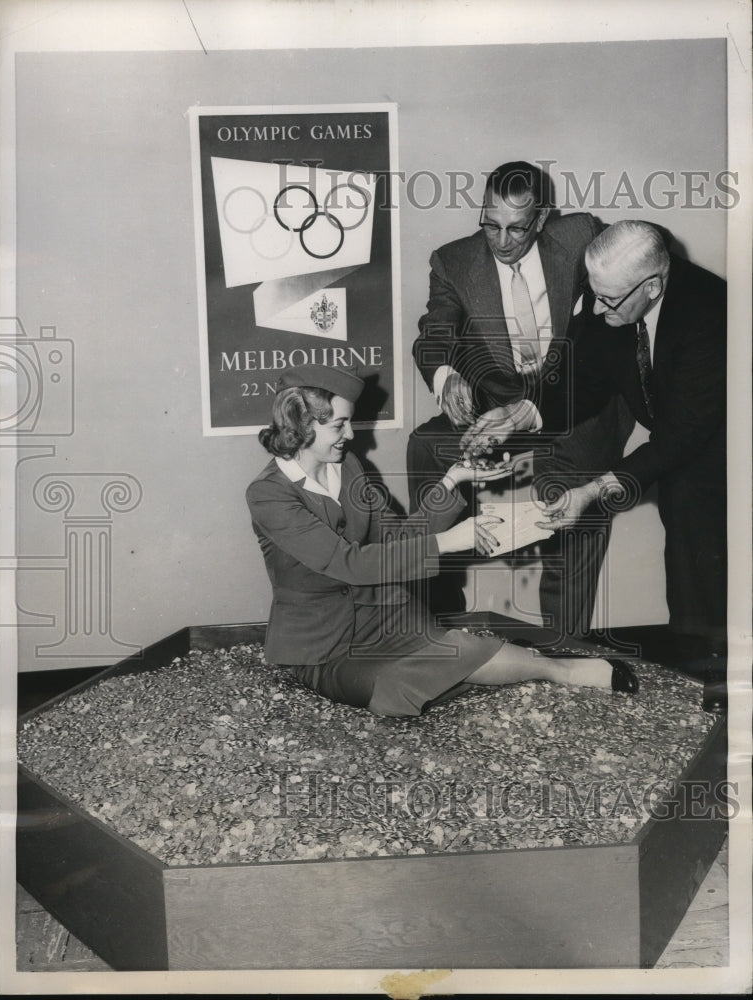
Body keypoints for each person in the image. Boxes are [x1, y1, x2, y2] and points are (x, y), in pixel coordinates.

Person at [245, 363, 637, 719]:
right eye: (339, 425)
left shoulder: (347, 466)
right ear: (302, 424)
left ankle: (556, 668)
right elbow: (349, 562)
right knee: (395, 688)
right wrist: (447, 541)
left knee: (455, 651)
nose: (350, 434)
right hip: (321, 649)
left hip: (386, 619)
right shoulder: (268, 494)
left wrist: (452, 479)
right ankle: (507, 659)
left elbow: (396, 537)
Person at [463, 221, 727, 683]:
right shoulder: (610, 291)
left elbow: (684, 435)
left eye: (609, 300)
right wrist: (523, 413)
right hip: (683, 434)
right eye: (595, 294)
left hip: (728, 443)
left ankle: (718, 673)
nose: (597, 309)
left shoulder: (711, 310)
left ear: (652, 287)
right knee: (686, 540)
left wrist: (592, 491)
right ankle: (696, 661)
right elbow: (583, 377)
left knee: (699, 526)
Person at [409, 161, 633, 635]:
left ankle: (565, 641)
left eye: (516, 228)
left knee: (573, 504)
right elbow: (434, 333)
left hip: (576, 406)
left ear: (542, 217)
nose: (502, 240)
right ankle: (434, 615)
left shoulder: (580, 236)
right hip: (500, 407)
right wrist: (446, 376)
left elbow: (634, 275)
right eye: (490, 225)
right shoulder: (453, 261)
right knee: (425, 447)